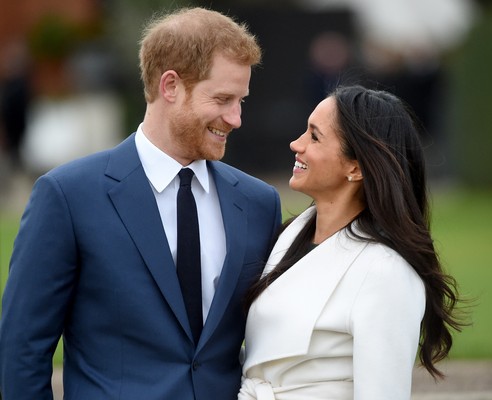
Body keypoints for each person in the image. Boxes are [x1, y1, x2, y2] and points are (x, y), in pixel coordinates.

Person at [0, 7, 281, 400]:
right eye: (222, 99)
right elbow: (21, 353)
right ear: (170, 86)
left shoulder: (258, 203)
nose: (235, 118)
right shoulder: (67, 196)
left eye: (241, 101)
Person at [238, 85, 463, 400]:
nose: (296, 144)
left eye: (314, 137)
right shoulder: (288, 237)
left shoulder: (385, 273)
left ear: (355, 167)